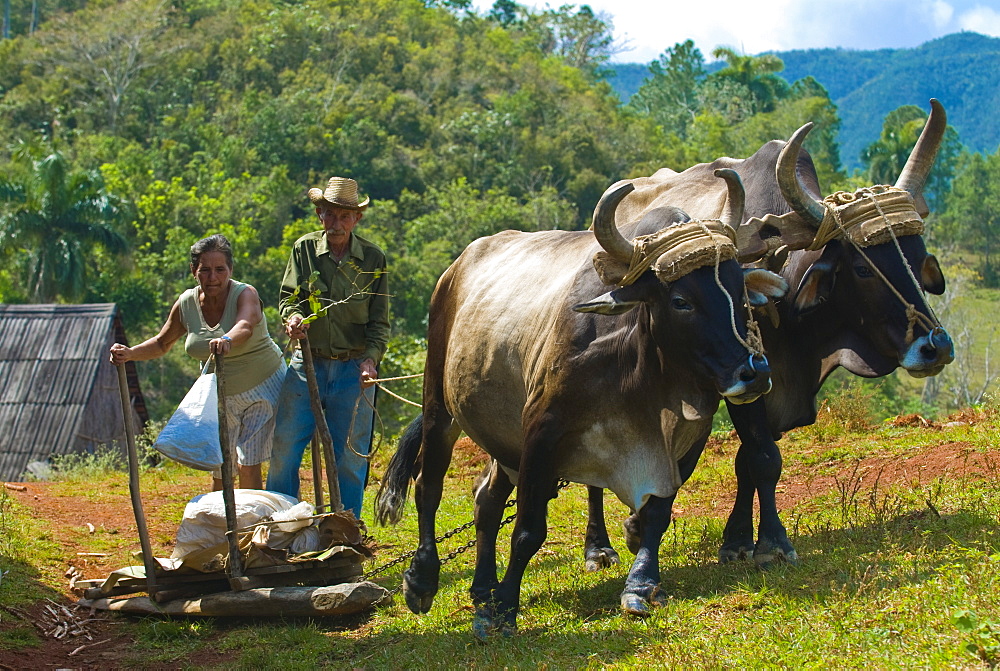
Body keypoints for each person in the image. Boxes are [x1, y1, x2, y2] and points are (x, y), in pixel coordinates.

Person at [110, 234, 286, 491]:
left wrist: (226, 339)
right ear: (194, 271)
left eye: (219, 270)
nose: (212, 278)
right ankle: (221, 524)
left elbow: (245, 325)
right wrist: (130, 353)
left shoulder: (245, 293)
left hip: (263, 386)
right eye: (205, 270)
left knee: (249, 461)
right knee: (221, 463)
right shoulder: (187, 304)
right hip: (220, 394)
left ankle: (252, 525)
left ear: (230, 270)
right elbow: (161, 343)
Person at [265, 176, 389, 517]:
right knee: (285, 448)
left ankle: (345, 529)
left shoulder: (373, 259)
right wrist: (292, 319)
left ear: (357, 219)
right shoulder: (304, 250)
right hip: (308, 365)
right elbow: (289, 299)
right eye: (329, 215)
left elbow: (379, 323)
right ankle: (281, 526)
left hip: (353, 371)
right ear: (319, 215)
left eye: (344, 216)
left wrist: (371, 361)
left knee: (350, 455)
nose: (336, 223)